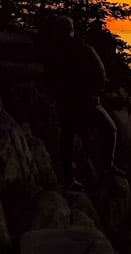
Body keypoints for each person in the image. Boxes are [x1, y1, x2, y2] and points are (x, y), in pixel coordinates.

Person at [40, 15, 122, 191]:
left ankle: (69, 178)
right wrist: (96, 93)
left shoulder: (53, 52)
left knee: (67, 141)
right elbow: (99, 72)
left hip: (66, 103)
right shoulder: (82, 48)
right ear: (70, 29)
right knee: (110, 129)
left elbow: (49, 79)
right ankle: (107, 167)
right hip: (86, 102)